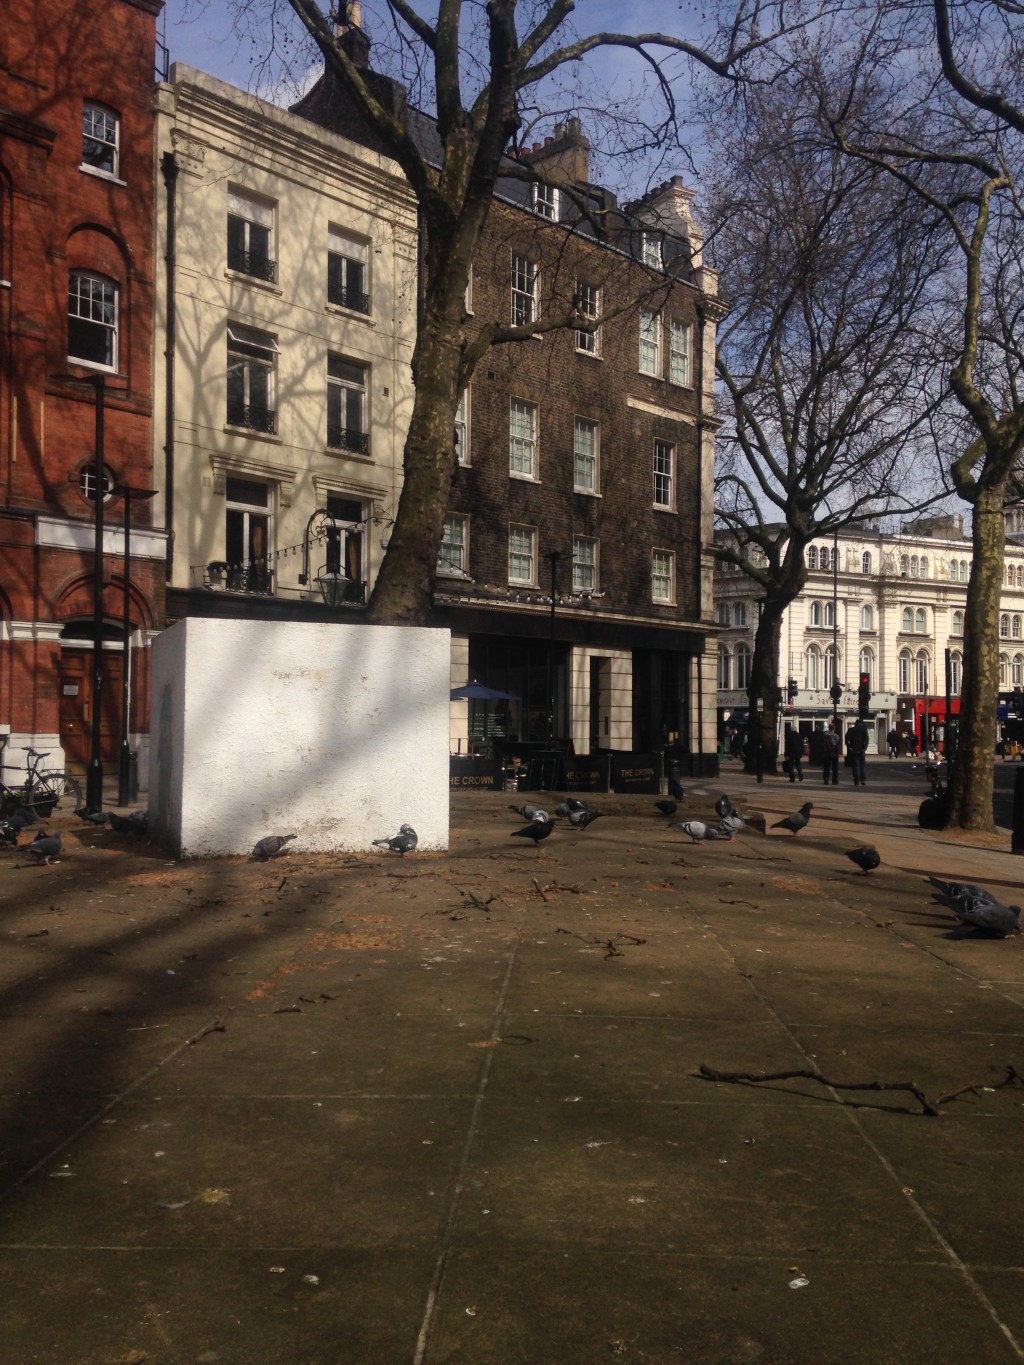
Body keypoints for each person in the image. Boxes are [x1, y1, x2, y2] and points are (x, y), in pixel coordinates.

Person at [845, 718, 870, 786]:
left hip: (853, 749)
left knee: (855, 766)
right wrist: (865, 747)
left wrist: (849, 746)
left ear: (855, 724)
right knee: (862, 765)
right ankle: (863, 779)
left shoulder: (851, 730)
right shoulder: (864, 730)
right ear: (861, 724)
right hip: (861, 749)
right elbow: (867, 739)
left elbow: (846, 738)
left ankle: (856, 780)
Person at [822, 720, 841, 785]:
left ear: (829, 728)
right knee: (834, 767)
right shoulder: (836, 736)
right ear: (834, 728)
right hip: (834, 753)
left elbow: (823, 744)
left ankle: (826, 779)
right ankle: (834, 780)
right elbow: (837, 745)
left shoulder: (825, 735)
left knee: (826, 767)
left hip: (826, 753)